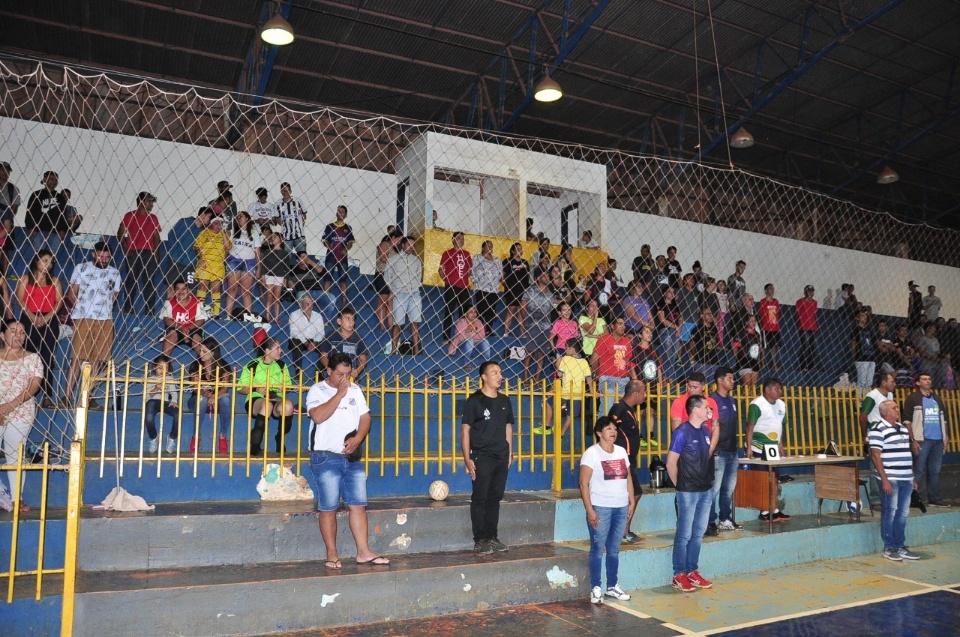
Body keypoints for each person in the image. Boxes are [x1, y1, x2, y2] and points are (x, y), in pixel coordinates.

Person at [306, 352, 390, 568]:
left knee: (358, 505)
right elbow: (317, 416)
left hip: (351, 456)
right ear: (329, 371)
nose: (345, 379)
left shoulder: (355, 390)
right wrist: (339, 394)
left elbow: (365, 417)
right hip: (325, 456)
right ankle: (332, 554)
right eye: (340, 374)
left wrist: (358, 437)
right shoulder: (318, 390)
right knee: (329, 507)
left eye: (348, 374)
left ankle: (363, 551)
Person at [579, 416, 634, 604]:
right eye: (609, 428)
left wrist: (631, 501)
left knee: (614, 549)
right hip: (600, 507)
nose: (613, 432)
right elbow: (583, 483)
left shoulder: (621, 451)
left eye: (614, 429)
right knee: (597, 548)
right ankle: (596, 587)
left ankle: (612, 586)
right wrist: (590, 509)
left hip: (620, 506)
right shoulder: (591, 453)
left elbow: (628, 478)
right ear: (599, 433)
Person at [461, 361, 514, 555]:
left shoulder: (505, 401)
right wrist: (468, 458)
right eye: (494, 372)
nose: (499, 376)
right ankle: (480, 539)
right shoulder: (474, 401)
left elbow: (509, 427)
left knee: (495, 498)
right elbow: (465, 430)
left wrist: (510, 452)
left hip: (501, 456)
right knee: (480, 498)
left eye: (500, 372)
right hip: (482, 456)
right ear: (484, 377)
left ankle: (492, 537)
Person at [62, 241, 121, 407]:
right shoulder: (81, 268)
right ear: (94, 254)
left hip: (105, 321)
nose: (104, 259)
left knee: (98, 359)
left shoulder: (115, 273)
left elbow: (113, 297)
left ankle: (89, 396)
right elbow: (71, 293)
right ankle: (66, 396)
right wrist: (83, 309)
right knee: (77, 358)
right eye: (101, 256)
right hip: (83, 319)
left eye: (107, 257)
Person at [667, 395, 715, 593]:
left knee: (698, 533)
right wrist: (681, 486)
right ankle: (679, 574)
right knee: (684, 533)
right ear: (695, 409)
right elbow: (670, 463)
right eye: (706, 406)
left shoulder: (705, 431)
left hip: (705, 490)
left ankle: (692, 570)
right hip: (688, 492)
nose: (709, 409)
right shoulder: (681, 433)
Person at [0, 319, 43, 514]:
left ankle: (17, 499)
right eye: (13, 331)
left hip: (21, 412)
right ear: (2, 335)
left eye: (22, 332)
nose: (19, 335)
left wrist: (8, 406)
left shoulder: (33, 358)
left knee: (14, 455)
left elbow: (33, 386)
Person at [868, 401, 920, 561]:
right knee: (890, 512)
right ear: (884, 412)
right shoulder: (877, 430)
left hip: (905, 478)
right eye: (894, 408)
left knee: (902, 513)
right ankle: (889, 547)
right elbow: (875, 456)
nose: (898, 410)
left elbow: (906, 454)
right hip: (891, 478)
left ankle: (900, 545)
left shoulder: (903, 429)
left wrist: (912, 477)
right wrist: (885, 480)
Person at [14, 250, 63, 408]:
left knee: (47, 358)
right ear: (36, 261)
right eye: (44, 260)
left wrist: (45, 318)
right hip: (28, 320)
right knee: (28, 357)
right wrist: (33, 317)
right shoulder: (25, 278)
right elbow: (19, 300)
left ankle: (47, 395)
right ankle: (26, 395)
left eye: (50, 261)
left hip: (49, 321)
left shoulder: (55, 280)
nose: (47, 264)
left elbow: (59, 302)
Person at [237, 335, 296, 454]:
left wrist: (282, 389)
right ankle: (255, 445)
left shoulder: (281, 365)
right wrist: (256, 388)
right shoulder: (252, 364)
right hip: (256, 400)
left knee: (288, 406)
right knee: (266, 405)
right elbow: (240, 389)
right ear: (267, 351)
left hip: (276, 398)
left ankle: (280, 437)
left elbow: (288, 386)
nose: (281, 350)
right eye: (277, 348)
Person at [745, 377, 791, 522]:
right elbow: (750, 427)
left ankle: (775, 509)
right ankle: (764, 510)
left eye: (781, 388)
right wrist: (749, 449)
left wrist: (781, 448)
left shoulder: (782, 405)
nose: (780, 391)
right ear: (767, 389)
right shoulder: (757, 404)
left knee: (774, 479)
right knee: (763, 480)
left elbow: (779, 428)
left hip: (773, 449)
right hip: (758, 448)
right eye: (777, 388)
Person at [609, 379, 649, 542]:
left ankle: (622, 531)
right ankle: (622, 532)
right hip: (621, 461)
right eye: (643, 391)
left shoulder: (629, 409)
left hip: (628, 461)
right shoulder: (619, 408)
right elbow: (609, 431)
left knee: (632, 494)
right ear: (635, 393)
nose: (645, 395)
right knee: (635, 493)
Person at [904, 373, 949, 507]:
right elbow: (907, 421)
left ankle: (934, 498)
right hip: (922, 439)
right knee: (918, 470)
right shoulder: (913, 398)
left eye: (929, 379)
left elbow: (944, 420)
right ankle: (914, 499)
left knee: (935, 470)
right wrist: (912, 440)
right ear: (917, 383)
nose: (928, 381)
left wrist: (946, 437)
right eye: (924, 379)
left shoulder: (937, 399)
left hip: (938, 440)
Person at [187, 337, 233, 455]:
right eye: (200, 350)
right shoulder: (195, 365)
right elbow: (196, 388)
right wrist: (205, 394)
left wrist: (214, 396)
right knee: (201, 400)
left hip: (216, 399)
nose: (200, 353)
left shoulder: (224, 365)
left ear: (213, 352)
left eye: (204, 351)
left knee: (226, 399)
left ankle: (223, 435)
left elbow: (225, 387)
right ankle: (196, 435)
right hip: (197, 400)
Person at [118, 191, 161, 315]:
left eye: (152, 202)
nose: (151, 204)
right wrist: (127, 249)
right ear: (142, 202)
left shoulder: (153, 218)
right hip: (134, 252)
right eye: (149, 201)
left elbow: (156, 236)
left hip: (149, 253)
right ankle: (128, 307)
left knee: (149, 282)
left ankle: (149, 310)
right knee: (131, 280)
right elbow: (120, 233)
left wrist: (156, 253)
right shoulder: (130, 216)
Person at [709, 367, 742, 532]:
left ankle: (725, 518)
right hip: (719, 452)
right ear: (720, 380)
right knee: (714, 489)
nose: (733, 381)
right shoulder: (711, 401)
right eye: (730, 378)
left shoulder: (733, 401)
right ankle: (710, 522)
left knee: (728, 489)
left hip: (732, 451)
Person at [540, 339, 593, 436]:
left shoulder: (566, 359)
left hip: (565, 392)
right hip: (578, 395)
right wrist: (591, 390)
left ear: (572, 349)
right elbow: (589, 378)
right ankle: (561, 433)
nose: (566, 350)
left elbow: (559, 375)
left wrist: (559, 363)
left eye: (567, 348)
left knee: (548, 403)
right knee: (570, 416)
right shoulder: (584, 362)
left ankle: (547, 426)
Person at [384, 235, 422, 357]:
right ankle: (394, 350)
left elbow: (418, 277)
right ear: (403, 245)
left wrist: (415, 289)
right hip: (399, 295)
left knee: (415, 323)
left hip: (414, 295)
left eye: (413, 245)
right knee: (398, 324)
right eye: (409, 244)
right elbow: (387, 276)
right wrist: (394, 290)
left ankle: (417, 351)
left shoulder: (416, 261)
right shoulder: (393, 259)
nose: (411, 247)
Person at [592, 317, 635, 415]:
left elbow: (627, 360)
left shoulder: (627, 342)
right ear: (612, 326)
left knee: (622, 411)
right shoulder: (604, 339)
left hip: (623, 379)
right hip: (608, 378)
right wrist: (597, 373)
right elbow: (594, 359)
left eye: (624, 324)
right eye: (619, 323)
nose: (623, 326)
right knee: (607, 409)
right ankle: (602, 429)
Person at [165, 206, 212, 296]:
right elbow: (171, 235)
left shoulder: (204, 232)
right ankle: (169, 309)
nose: (209, 220)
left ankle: (188, 309)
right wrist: (174, 254)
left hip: (191, 265)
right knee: (171, 287)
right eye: (209, 217)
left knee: (189, 290)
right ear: (202, 215)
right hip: (176, 262)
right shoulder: (184, 222)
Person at [521, 268, 557, 382]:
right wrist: (527, 320)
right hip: (533, 325)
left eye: (547, 275)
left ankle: (537, 379)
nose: (547, 276)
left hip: (546, 327)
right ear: (537, 278)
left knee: (542, 354)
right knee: (530, 352)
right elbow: (523, 306)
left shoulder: (551, 294)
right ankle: (526, 377)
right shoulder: (530, 290)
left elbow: (553, 309)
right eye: (544, 275)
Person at [194, 214, 232, 318]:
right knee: (202, 287)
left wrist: (224, 232)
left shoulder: (224, 235)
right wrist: (200, 258)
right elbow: (196, 247)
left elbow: (228, 247)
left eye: (220, 223)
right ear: (211, 224)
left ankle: (216, 314)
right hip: (205, 264)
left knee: (216, 289)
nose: (218, 225)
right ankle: (199, 312)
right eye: (216, 223)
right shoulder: (204, 233)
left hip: (218, 265)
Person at [224, 210, 259, 320]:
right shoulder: (233, 231)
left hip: (249, 262)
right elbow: (226, 246)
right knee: (232, 289)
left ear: (247, 218)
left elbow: (257, 251)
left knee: (246, 292)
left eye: (241, 216)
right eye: (237, 217)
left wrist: (259, 268)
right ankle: (228, 316)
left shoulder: (254, 232)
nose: (239, 218)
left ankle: (248, 316)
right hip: (234, 261)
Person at [159, 279, 209, 358]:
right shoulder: (169, 302)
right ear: (174, 291)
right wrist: (181, 328)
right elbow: (167, 320)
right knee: (172, 334)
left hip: (192, 328)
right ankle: (163, 363)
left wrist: (188, 329)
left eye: (183, 289)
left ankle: (204, 366)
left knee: (198, 340)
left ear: (189, 290)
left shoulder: (197, 301)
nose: (181, 291)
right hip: (176, 328)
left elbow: (201, 320)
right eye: (178, 289)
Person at [439, 231, 473, 343]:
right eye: (459, 238)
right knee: (449, 311)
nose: (461, 240)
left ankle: (463, 336)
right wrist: (447, 281)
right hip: (452, 286)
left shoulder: (467, 254)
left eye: (463, 238)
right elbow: (441, 269)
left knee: (464, 313)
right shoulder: (447, 253)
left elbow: (469, 271)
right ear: (453, 240)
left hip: (464, 287)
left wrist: (464, 279)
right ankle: (446, 337)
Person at [25, 170, 68, 257]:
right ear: (45, 180)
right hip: (39, 230)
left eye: (55, 179)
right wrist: (30, 227)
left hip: (56, 232)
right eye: (51, 179)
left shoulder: (60, 197)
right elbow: (30, 212)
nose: (53, 181)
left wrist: (63, 230)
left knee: (52, 256)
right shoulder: (36, 194)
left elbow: (64, 215)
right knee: (39, 256)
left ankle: (49, 270)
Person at [143, 355, 180, 454]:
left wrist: (174, 401)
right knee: (149, 416)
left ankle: (172, 438)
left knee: (177, 413)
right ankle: (153, 437)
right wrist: (156, 388)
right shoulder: (150, 379)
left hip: (165, 402)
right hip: (152, 401)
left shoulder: (169, 378)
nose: (163, 371)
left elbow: (174, 392)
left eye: (166, 368)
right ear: (155, 367)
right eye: (160, 368)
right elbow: (147, 397)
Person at [319, 306, 368, 380]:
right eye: (348, 319)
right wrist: (331, 369)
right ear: (339, 321)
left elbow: (363, 360)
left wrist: (357, 371)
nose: (351, 323)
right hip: (332, 376)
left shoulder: (358, 338)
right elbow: (323, 357)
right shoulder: (331, 335)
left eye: (353, 320)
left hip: (350, 377)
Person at [288, 291, 325, 379]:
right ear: (301, 304)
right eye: (306, 303)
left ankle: (319, 374)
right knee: (295, 342)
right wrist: (306, 343)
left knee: (326, 345)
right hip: (299, 340)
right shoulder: (294, 315)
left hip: (314, 340)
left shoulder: (318, 316)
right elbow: (295, 332)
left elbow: (321, 333)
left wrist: (314, 343)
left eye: (311, 304)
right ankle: (298, 372)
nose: (309, 306)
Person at [321, 204, 354, 302]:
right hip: (330, 256)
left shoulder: (348, 228)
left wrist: (346, 249)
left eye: (343, 211)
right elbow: (324, 240)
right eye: (339, 211)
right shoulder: (329, 227)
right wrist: (329, 246)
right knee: (328, 278)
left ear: (346, 215)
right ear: (336, 213)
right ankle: (325, 299)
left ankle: (344, 301)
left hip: (342, 257)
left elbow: (351, 242)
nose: (340, 213)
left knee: (343, 279)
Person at [445, 304, 490, 371]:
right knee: (470, 340)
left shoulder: (478, 322)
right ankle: (465, 363)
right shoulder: (461, 322)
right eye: (471, 312)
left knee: (485, 341)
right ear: (466, 313)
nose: (473, 314)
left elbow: (482, 336)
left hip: (474, 350)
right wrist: (475, 331)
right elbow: (460, 337)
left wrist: (470, 332)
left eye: (475, 312)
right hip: (461, 349)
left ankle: (488, 364)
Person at [372, 228, 400, 331]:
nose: (399, 242)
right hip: (382, 275)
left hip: (392, 277)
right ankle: (382, 325)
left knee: (390, 302)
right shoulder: (384, 244)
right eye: (398, 240)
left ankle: (390, 325)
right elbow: (383, 258)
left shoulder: (394, 249)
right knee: (382, 301)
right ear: (393, 237)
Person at [257, 230, 288, 324]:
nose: (273, 238)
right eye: (272, 236)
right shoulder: (267, 251)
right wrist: (262, 276)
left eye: (276, 236)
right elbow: (263, 265)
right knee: (269, 296)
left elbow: (286, 267)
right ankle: (267, 317)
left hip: (279, 276)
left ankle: (276, 318)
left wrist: (285, 279)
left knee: (277, 298)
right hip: (268, 275)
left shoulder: (285, 253)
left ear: (281, 239)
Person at [471, 239, 501, 332]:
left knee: (491, 310)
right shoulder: (477, 258)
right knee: (481, 309)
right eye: (488, 246)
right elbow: (471, 271)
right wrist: (475, 281)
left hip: (494, 290)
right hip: (481, 288)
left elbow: (500, 274)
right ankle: (478, 329)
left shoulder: (497, 260)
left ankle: (488, 330)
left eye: (491, 246)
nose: (490, 247)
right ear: (483, 248)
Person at [274, 182, 308, 257]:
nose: (285, 192)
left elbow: (304, 215)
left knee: (302, 257)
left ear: (290, 190)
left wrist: (300, 226)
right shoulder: (277, 204)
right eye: (283, 190)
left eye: (287, 190)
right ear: (281, 191)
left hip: (299, 235)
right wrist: (284, 226)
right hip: (286, 236)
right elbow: (278, 219)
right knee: (286, 258)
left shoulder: (298, 201)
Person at [502, 242, 529, 336]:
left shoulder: (525, 263)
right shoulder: (507, 261)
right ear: (513, 250)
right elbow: (502, 277)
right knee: (511, 311)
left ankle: (523, 335)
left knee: (522, 313)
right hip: (512, 291)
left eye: (520, 248)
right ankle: (505, 334)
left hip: (523, 292)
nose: (519, 250)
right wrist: (508, 287)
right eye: (517, 248)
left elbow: (527, 279)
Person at [0, 161, 21, 278]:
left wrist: (6, 216)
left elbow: (14, 208)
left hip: (6, 219)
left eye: (7, 170)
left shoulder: (14, 189)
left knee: (5, 249)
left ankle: (5, 274)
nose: (4, 172)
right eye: (2, 170)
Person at [732, 315, 762, 387]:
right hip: (743, 360)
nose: (753, 322)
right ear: (746, 322)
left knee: (753, 386)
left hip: (754, 361)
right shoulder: (741, 333)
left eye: (754, 321)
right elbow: (735, 347)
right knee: (747, 386)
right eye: (751, 320)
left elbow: (758, 349)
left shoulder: (757, 335)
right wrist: (737, 359)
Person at [757, 283, 781, 371]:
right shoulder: (762, 302)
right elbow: (760, 314)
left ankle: (775, 365)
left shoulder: (776, 301)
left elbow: (777, 313)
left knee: (774, 346)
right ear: (766, 290)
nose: (772, 290)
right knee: (764, 347)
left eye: (773, 288)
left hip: (775, 327)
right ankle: (762, 364)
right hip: (765, 327)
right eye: (770, 288)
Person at [850, 310, 876, 390]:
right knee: (862, 382)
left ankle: (867, 400)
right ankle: (859, 401)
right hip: (861, 358)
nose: (865, 317)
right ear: (857, 318)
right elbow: (853, 343)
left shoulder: (869, 329)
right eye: (862, 316)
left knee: (869, 382)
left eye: (865, 315)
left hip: (871, 358)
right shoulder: (855, 330)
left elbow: (872, 342)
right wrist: (854, 357)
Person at [795, 285, 818, 371]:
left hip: (813, 327)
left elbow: (814, 314)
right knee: (805, 346)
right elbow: (797, 314)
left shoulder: (815, 302)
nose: (810, 293)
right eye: (809, 291)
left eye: (812, 291)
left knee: (812, 347)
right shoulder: (800, 301)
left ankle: (811, 366)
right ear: (805, 292)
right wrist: (799, 324)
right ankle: (803, 366)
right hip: (803, 327)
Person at [714, 279, 729, 345]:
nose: (720, 286)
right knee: (719, 328)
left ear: (725, 286)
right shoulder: (715, 294)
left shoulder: (726, 295)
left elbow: (728, 304)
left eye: (722, 284)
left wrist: (728, 310)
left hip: (725, 313)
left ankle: (723, 342)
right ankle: (719, 342)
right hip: (718, 313)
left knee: (724, 328)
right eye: (719, 284)